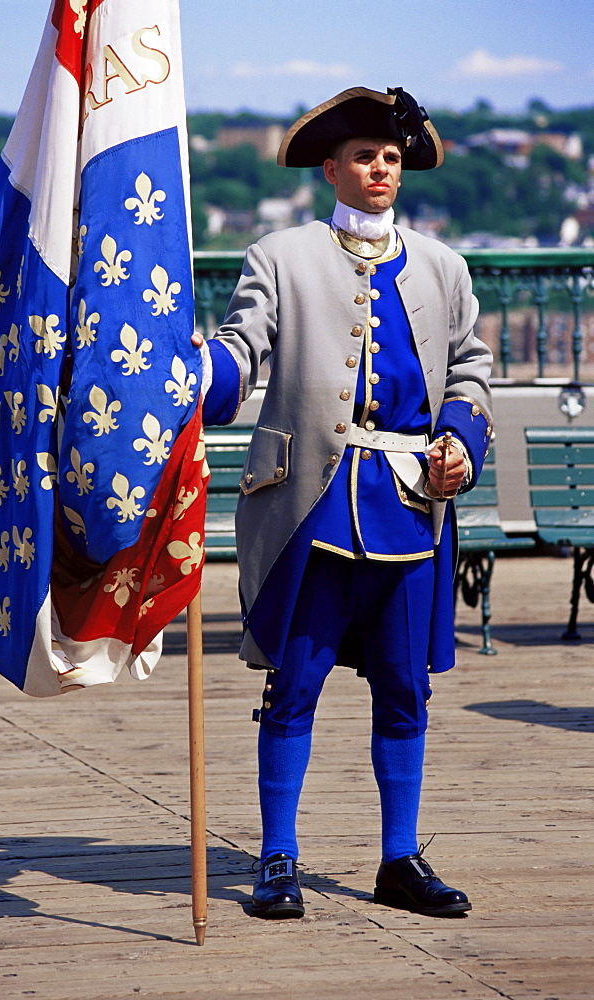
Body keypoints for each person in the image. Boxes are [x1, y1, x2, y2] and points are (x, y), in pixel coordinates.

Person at [196, 87, 493, 919]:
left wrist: (460, 444)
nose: (380, 170)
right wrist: (195, 375)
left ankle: (399, 861)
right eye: (365, 157)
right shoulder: (280, 255)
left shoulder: (444, 267)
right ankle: (279, 858)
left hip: (409, 512)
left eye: (391, 159)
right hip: (311, 509)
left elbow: (470, 369)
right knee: (293, 689)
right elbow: (239, 351)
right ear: (332, 169)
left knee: (406, 693)